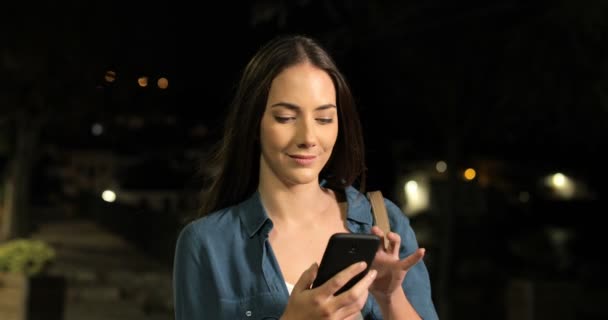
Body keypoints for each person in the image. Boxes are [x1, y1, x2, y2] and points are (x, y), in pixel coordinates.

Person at [173, 34, 439, 320]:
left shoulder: (384, 224)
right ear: (253, 123)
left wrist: (390, 297)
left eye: (324, 119)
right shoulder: (207, 244)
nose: (308, 138)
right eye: (286, 118)